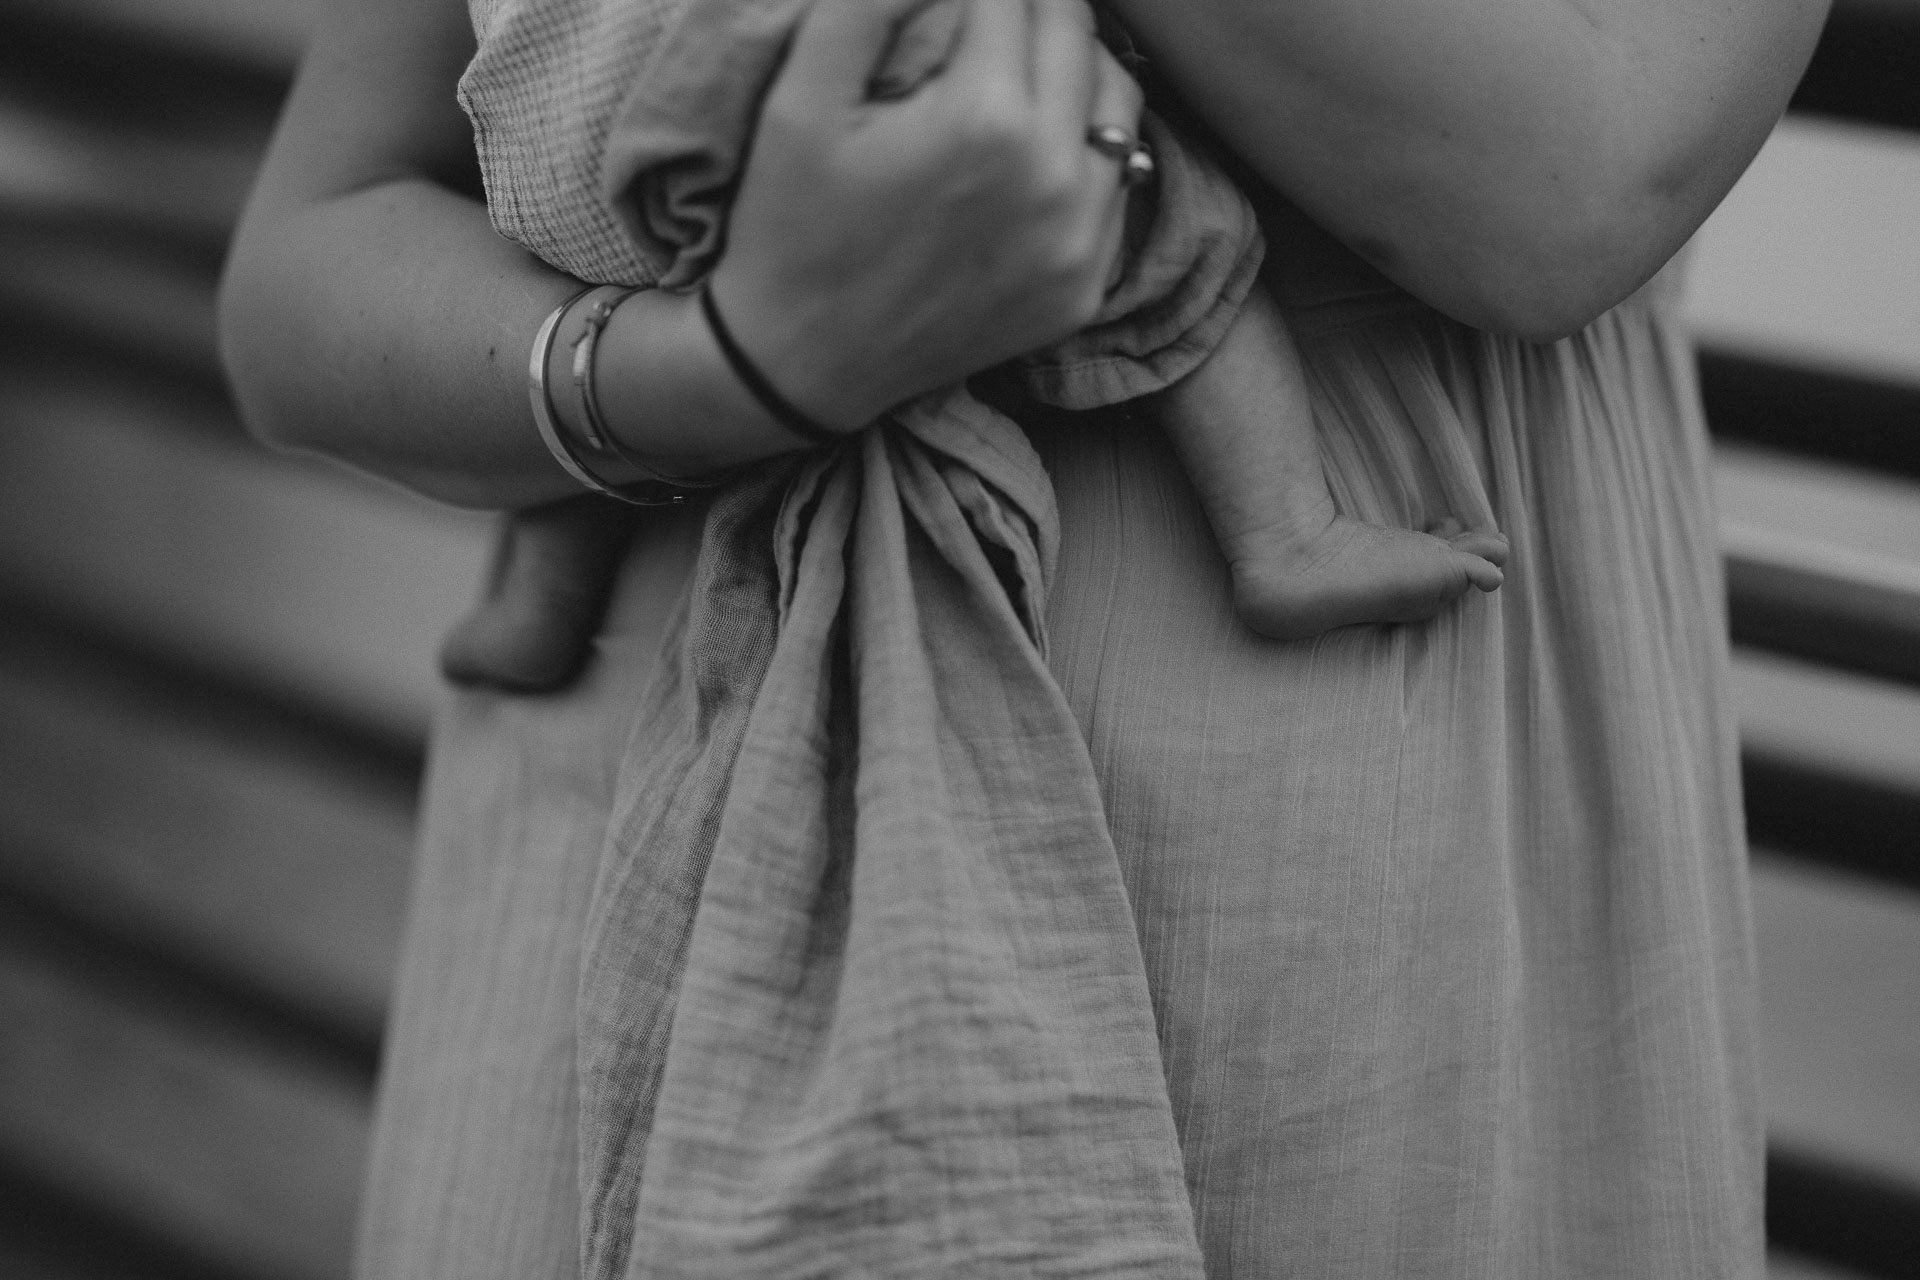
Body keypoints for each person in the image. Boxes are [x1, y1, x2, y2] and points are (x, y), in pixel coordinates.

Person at [219, 0, 1829, 1274]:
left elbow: (1572, 188)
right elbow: (306, 263)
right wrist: (697, 375)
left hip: (1333, 860)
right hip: (646, 767)